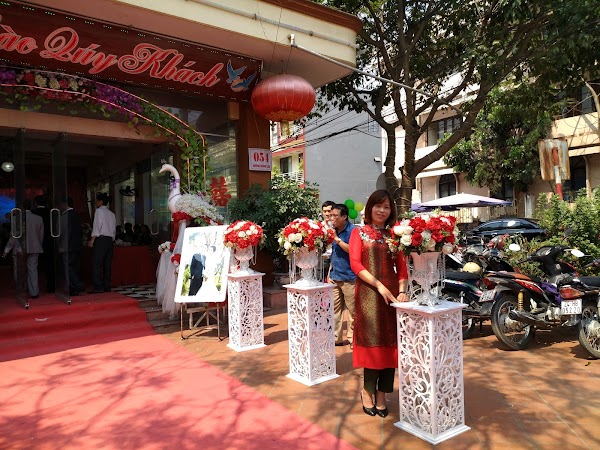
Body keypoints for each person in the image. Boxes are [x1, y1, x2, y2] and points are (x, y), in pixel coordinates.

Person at [349, 189, 409, 418]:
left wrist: (402, 291)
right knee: (373, 344)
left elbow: (402, 266)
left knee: (390, 345)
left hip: (391, 297)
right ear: (370, 208)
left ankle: (382, 394)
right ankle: (367, 391)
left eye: (386, 207)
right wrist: (379, 285)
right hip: (368, 294)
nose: (382, 210)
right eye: (378, 206)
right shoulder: (359, 233)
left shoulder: (395, 235)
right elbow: (356, 264)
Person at [329, 203, 356, 347]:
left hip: (349, 277)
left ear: (344, 216)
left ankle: (353, 339)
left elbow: (352, 250)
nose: (332, 218)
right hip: (335, 276)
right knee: (334, 310)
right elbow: (334, 254)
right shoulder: (334, 231)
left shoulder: (353, 231)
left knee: (353, 311)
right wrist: (330, 272)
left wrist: (337, 239)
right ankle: (336, 338)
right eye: (331, 215)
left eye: (335, 216)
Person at [88, 192, 116, 293]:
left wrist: (92, 239)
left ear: (100, 201)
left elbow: (97, 226)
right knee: (107, 264)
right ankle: (107, 286)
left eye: (96, 201)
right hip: (109, 240)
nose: (95, 203)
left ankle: (98, 287)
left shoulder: (99, 211)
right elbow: (113, 230)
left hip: (101, 239)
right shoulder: (112, 214)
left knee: (96, 263)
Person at [58, 197, 84, 296]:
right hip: (77, 245)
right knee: (75, 267)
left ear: (65, 204)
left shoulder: (65, 216)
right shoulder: (77, 215)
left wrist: (62, 245)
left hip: (68, 246)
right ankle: (73, 288)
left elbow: (66, 232)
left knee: (68, 267)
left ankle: (77, 286)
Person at [32, 195, 55, 293]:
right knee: (50, 265)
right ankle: (51, 287)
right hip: (50, 242)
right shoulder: (52, 212)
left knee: (34, 267)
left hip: (35, 242)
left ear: (35, 203)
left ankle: (34, 288)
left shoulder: (33, 213)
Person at [320, 200, 336, 281]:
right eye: (324, 211)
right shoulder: (318, 227)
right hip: (322, 259)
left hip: (336, 259)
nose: (326, 214)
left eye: (329, 211)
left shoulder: (338, 226)